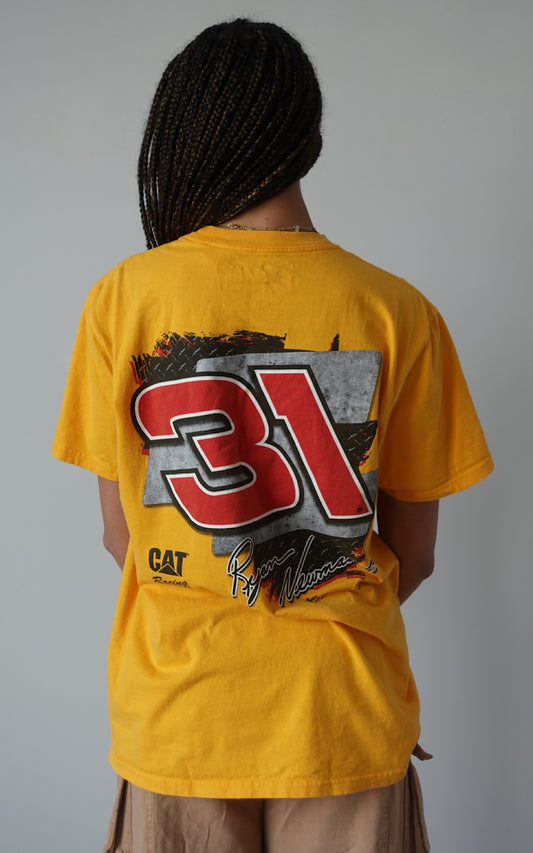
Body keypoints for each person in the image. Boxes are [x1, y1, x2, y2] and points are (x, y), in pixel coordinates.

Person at [52, 18, 493, 853]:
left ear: (182, 135)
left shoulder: (124, 298)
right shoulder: (396, 309)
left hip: (180, 716)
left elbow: (121, 536)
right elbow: (415, 552)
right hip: (342, 716)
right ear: (306, 139)